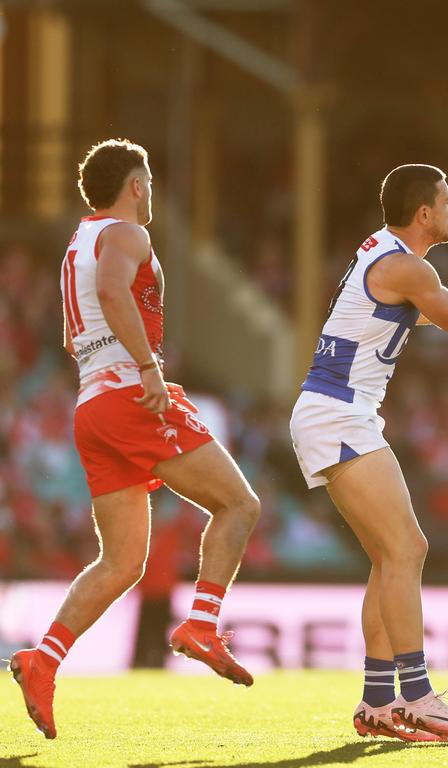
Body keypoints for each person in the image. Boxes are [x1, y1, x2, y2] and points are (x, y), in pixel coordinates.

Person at [8, 139, 261, 740]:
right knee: (240, 504)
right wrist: (148, 368)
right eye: (148, 180)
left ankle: (41, 661)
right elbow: (114, 294)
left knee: (122, 561)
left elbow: (75, 337)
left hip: (92, 403)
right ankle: (201, 624)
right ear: (137, 185)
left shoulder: (77, 243)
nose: (151, 191)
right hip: (127, 394)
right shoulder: (127, 234)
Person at [289, 164, 448, 742]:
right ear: (425, 212)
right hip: (339, 414)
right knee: (409, 549)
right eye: (447, 200)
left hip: (334, 413)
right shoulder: (406, 266)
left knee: (388, 557)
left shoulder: (389, 257)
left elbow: (437, 313)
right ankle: (418, 696)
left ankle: (377, 703)